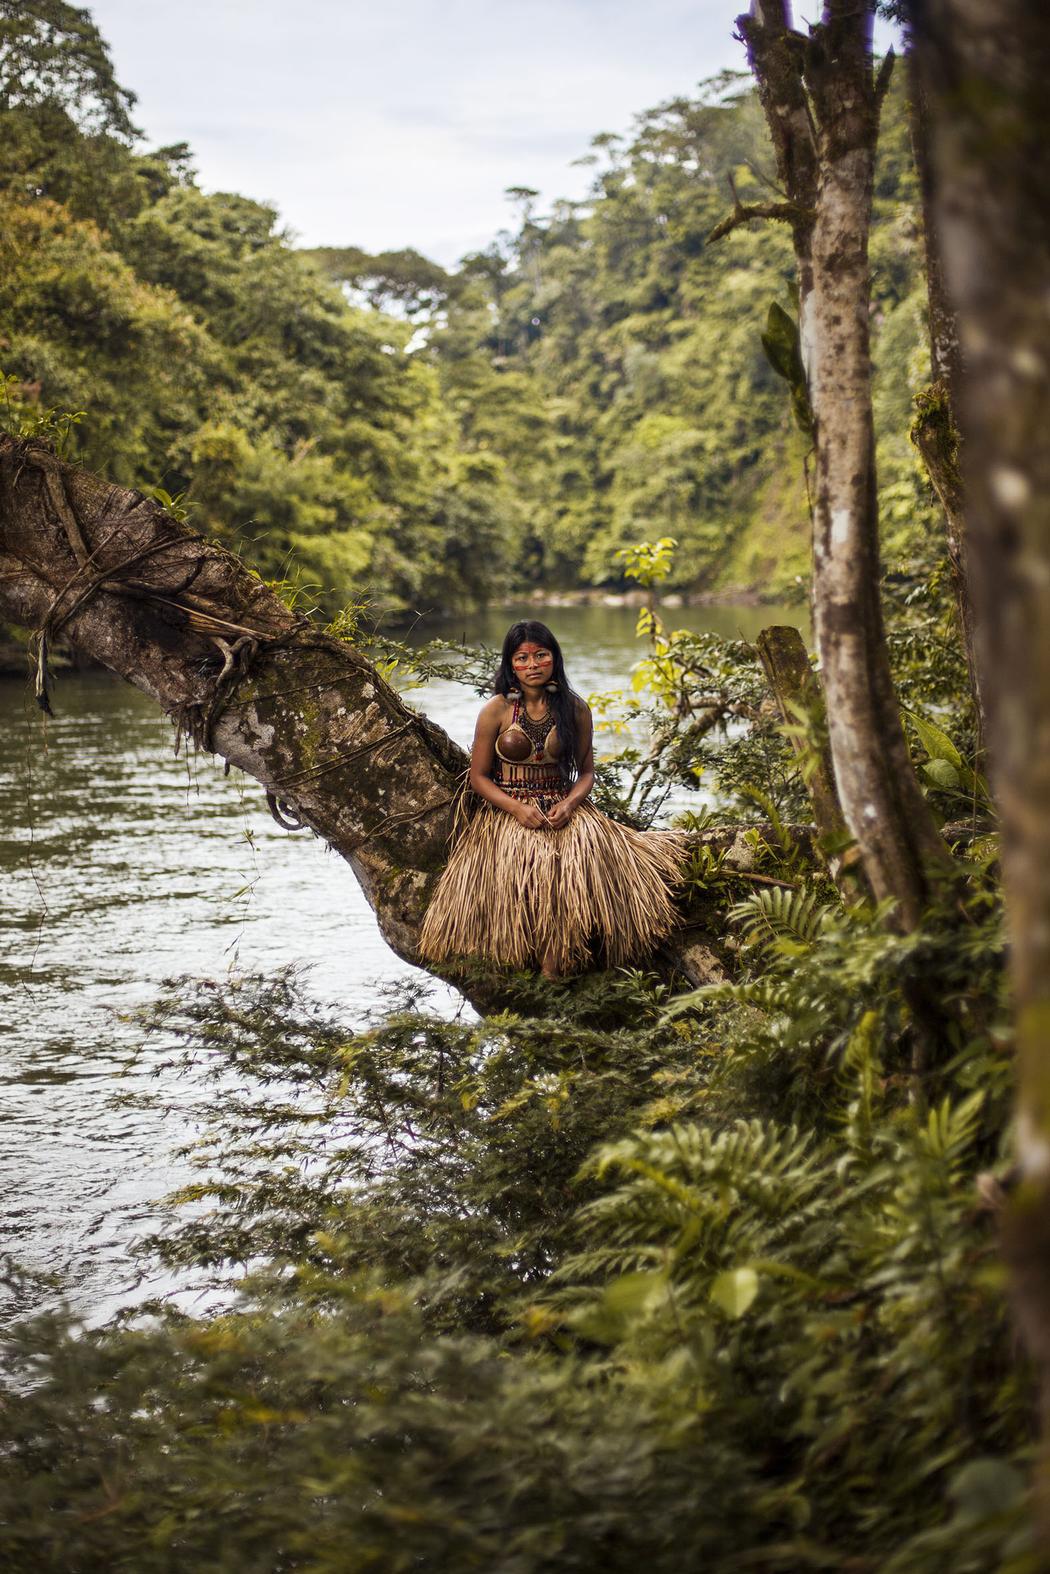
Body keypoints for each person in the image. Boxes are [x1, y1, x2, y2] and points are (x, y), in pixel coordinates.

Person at [419, 620, 687, 978]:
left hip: (564, 808)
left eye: (541, 655)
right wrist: (515, 808)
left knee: (567, 871)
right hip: (508, 815)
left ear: (554, 658)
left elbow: (587, 773)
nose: (533, 665)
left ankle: (558, 966)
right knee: (531, 873)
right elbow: (478, 777)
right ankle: (522, 955)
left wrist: (571, 803)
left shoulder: (575, 709)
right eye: (523, 658)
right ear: (510, 665)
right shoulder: (496, 711)